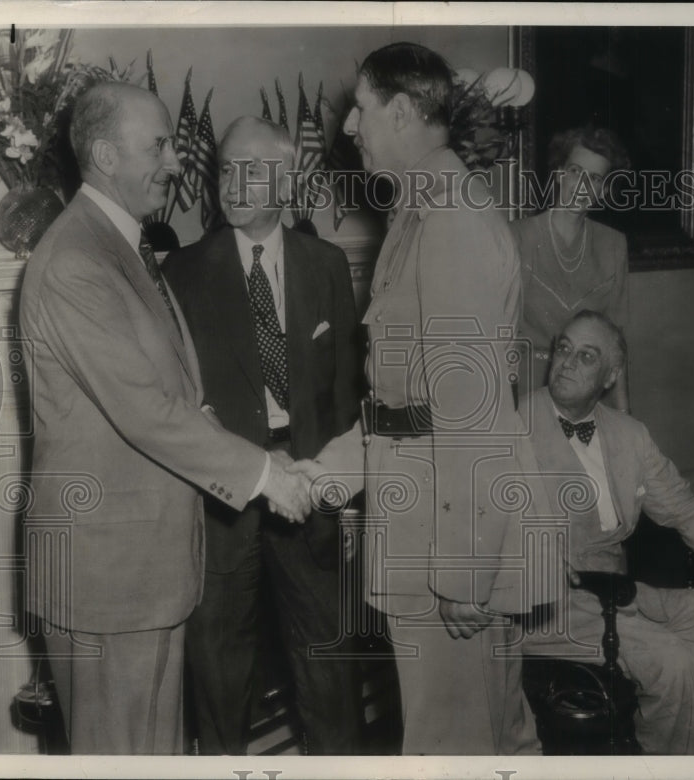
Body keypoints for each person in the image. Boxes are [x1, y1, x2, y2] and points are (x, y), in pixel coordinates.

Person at [18, 83, 309, 755]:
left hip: (143, 574)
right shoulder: (75, 262)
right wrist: (265, 474)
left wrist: (254, 455)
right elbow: (145, 412)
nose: (177, 163)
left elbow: (176, 395)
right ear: (104, 155)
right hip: (107, 581)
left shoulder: (122, 246)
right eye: (158, 146)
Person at [289, 42, 557, 755]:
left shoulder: (451, 222)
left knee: (451, 748)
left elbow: (468, 411)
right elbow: (405, 403)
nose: (350, 127)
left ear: (403, 112)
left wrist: (464, 573)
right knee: (494, 739)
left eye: (363, 110)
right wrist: (329, 472)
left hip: (451, 540)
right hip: (434, 515)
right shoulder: (421, 212)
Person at [163, 116, 364, 755]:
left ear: (287, 179)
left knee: (330, 679)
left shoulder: (326, 264)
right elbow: (177, 404)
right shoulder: (181, 274)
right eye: (226, 169)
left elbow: (343, 395)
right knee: (220, 684)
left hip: (311, 494)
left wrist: (347, 497)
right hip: (224, 506)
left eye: (253, 169)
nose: (234, 184)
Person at [519, 310, 694, 754]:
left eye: (586, 356)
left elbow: (686, 508)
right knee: (670, 661)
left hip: (618, 594)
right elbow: (486, 524)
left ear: (610, 375)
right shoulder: (513, 428)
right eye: (564, 348)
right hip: (547, 604)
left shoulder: (629, 435)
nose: (567, 362)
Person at [511, 126, 631, 410]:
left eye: (595, 178)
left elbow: (617, 344)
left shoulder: (613, 244)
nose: (583, 186)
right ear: (559, 173)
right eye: (576, 171)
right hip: (527, 392)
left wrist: (623, 414)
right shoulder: (517, 237)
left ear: (603, 190)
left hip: (587, 394)